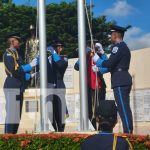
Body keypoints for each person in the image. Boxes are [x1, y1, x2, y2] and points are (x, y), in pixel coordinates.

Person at [93, 25, 133, 133]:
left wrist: (97, 60)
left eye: (111, 34)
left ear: (115, 35)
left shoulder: (118, 47)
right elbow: (112, 66)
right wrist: (99, 69)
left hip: (120, 80)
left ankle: (128, 133)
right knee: (123, 107)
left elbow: (110, 63)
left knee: (123, 108)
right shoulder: (122, 47)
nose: (110, 36)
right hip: (121, 78)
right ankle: (128, 131)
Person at [3, 32, 38, 134]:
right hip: (12, 86)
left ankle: (13, 137)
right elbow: (14, 70)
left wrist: (30, 76)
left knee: (16, 116)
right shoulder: (9, 54)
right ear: (12, 42)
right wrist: (29, 66)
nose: (19, 43)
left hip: (18, 87)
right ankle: (7, 138)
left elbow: (20, 73)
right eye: (17, 41)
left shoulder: (17, 54)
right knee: (11, 115)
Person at [74, 41, 107, 130]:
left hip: (99, 86)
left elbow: (108, 65)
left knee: (100, 109)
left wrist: (99, 68)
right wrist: (82, 56)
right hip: (88, 87)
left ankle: (101, 129)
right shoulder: (85, 56)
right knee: (89, 109)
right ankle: (92, 128)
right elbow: (76, 67)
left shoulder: (99, 55)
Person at [47, 40, 68, 132]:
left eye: (57, 47)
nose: (55, 48)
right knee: (50, 110)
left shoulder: (63, 58)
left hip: (59, 85)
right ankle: (54, 129)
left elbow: (61, 65)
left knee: (60, 109)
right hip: (49, 86)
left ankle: (61, 129)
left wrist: (54, 53)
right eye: (54, 47)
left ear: (61, 48)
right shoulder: (49, 58)